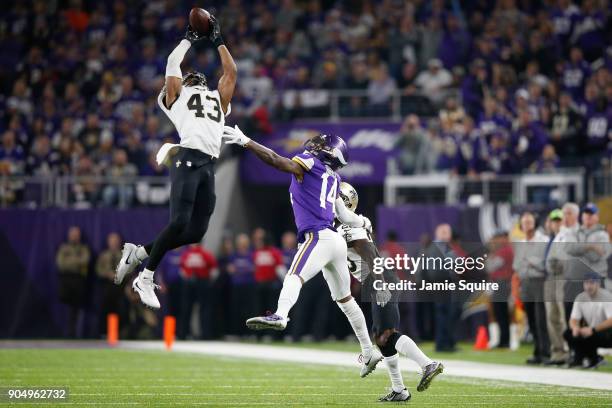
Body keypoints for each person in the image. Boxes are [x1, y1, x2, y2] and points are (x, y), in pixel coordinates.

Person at [223, 125, 382, 377]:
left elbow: (276, 161)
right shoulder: (335, 178)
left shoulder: (310, 162)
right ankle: (368, 349)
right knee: (345, 300)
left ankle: (280, 315)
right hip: (335, 240)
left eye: (321, 145)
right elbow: (344, 215)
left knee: (294, 276)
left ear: (328, 152)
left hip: (318, 235)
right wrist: (363, 221)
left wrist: (247, 142)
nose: (315, 146)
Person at [114, 15, 237, 309]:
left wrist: (218, 39)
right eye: (189, 76)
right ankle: (144, 276)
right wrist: (189, 39)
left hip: (209, 165)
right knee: (179, 221)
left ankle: (139, 253)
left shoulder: (217, 99)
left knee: (196, 232)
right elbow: (172, 65)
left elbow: (231, 72)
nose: (194, 76)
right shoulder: (176, 96)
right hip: (187, 156)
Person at [337, 182, 443, 402]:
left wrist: (379, 283)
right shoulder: (356, 222)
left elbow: (369, 255)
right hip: (377, 279)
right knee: (381, 338)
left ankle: (427, 364)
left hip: (379, 279)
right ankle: (399, 390)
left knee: (386, 335)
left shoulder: (348, 227)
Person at [512, 212, 550, 364]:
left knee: (541, 319)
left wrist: (532, 262)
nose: (527, 224)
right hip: (525, 282)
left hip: (540, 281)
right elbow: (516, 266)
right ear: (521, 225)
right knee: (532, 319)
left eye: (530, 221)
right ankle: (537, 351)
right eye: (524, 222)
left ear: (535, 223)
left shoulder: (544, 240)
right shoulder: (520, 243)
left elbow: (545, 264)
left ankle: (546, 352)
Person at [420, 223, 459, 352]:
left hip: (440, 284)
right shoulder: (439, 247)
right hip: (442, 284)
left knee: (445, 314)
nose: (448, 235)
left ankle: (447, 342)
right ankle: (443, 344)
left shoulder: (437, 247)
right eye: (445, 232)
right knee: (444, 314)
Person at [564, 272, 612, 368]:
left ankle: (594, 359)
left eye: (591, 283)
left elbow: (611, 320)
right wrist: (575, 328)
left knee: (591, 335)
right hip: (592, 330)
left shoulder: (606, 296)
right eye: (586, 283)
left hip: (607, 332)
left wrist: (593, 329)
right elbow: (573, 319)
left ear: (598, 284)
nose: (589, 286)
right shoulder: (581, 297)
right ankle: (579, 359)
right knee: (568, 333)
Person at [542, 209, 568, 365]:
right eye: (554, 221)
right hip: (550, 278)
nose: (556, 223)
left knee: (563, 316)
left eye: (559, 220)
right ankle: (558, 352)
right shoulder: (552, 238)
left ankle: (569, 350)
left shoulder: (567, 236)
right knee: (552, 318)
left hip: (562, 277)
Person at [56, 226, 90, 338]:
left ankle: (74, 334)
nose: (74, 237)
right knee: (66, 307)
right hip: (66, 280)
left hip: (79, 280)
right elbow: (61, 264)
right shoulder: (63, 247)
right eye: (73, 234)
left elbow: (85, 261)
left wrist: (70, 260)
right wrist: (76, 261)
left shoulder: (84, 248)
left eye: (76, 235)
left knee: (76, 308)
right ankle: (64, 333)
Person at [178, 243, 218, 339]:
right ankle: (191, 333)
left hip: (197, 282)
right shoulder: (203, 254)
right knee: (197, 309)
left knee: (195, 309)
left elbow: (213, 268)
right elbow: (214, 270)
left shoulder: (190, 254)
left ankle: (189, 334)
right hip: (197, 282)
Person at [485, 230, 514, 349]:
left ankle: (505, 341)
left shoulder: (505, 250)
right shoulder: (502, 250)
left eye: (500, 238)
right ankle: (503, 340)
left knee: (501, 312)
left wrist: (491, 255)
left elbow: (490, 266)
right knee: (500, 312)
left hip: (502, 283)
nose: (497, 241)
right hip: (499, 283)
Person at [95, 232, 123, 336]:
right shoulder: (103, 256)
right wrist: (107, 274)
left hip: (119, 287)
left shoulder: (124, 256)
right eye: (112, 241)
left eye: (116, 241)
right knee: (105, 310)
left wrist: (118, 274)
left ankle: (116, 333)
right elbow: (98, 270)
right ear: (108, 242)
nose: (114, 243)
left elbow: (130, 270)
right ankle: (104, 333)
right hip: (106, 287)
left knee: (119, 310)